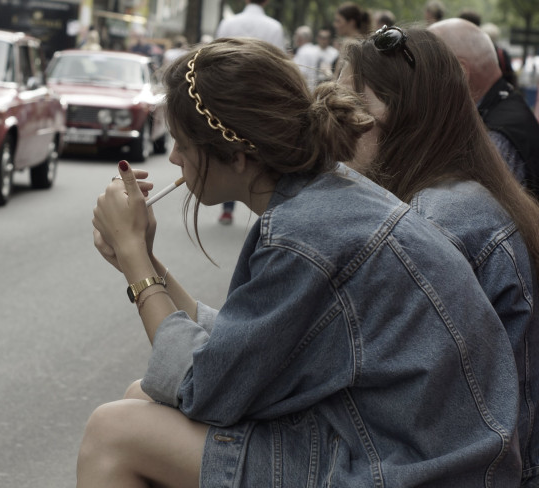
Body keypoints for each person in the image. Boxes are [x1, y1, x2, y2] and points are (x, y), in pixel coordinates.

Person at [81, 37, 522, 487]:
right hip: (415, 449)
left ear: (236, 154)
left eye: (182, 144)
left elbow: (204, 388)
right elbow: (246, 348)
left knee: (112, 432)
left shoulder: (305, 232)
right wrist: (144, 259)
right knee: (141, 399)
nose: (174, 158)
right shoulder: (325, 195)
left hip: (410, 470)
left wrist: (136, 260)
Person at [338, 25, 539, 486]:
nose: (335, 123)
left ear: (407, 113)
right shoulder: (461, 191)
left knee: (138, 422)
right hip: (476, 457)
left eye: (352, 108)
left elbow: (355, 373)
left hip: (455, 470)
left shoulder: (434, 221)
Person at [429, 18, 539, 197]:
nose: (419, 81)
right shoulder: (501, 104)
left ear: (461, 71)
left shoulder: (495, 139)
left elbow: (469, 216)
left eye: (427, 68)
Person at [214, 0, 286, 225]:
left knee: (228, 143)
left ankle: (227, 208)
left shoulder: (228, 23)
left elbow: (213, 58)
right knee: (262, 150)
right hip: (259, 97)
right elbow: (278, 64)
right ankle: (266, 207)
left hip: (228, 93)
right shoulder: (274, 27)